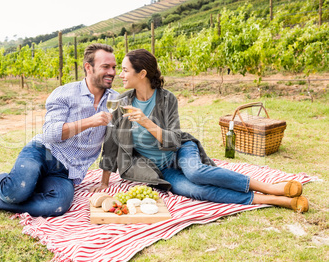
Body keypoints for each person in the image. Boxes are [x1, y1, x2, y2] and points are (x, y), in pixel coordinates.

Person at [90, 48, 309, 213]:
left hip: (180, 150)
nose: (120, 75)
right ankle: (274, 199)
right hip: (160, 169)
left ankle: (271, 187)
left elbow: (174, 140)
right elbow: (111, 141)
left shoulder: (167, 99)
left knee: (196, 172)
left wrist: (148, 123)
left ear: (142, 73)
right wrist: (105, 180)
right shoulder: (121, 101)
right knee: (196, 190)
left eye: (125, 70)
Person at [0, 43, 118, 217]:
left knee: (57, 205)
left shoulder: (116, 100)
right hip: (43, 152)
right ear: (88, 67)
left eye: (114, 67)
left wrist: (104, 181)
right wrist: (89, 122)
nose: (112, 72)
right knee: (16, 193)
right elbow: (50, 133)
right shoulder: (65, 93)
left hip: (68, 172)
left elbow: (112, 142)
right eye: (106, 67)